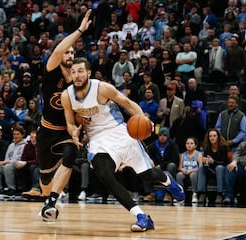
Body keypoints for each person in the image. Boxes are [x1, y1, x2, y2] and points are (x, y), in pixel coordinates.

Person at [60, 58, 185, 231]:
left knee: (147, 174)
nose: (77, 75)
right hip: (97, 140)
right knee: (104, 174)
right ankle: (141, 216)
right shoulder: (67, 96)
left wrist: (143, 119)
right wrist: (73, 131)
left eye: (80, 71)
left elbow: (127, 104)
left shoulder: (102, 88)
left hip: (119, 132)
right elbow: (69, 122)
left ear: (88, 73)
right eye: (73, 72)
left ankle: (167, 180)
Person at [37, 10, 93, 221]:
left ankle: (52, 201)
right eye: (66, 52)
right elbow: (59, 48)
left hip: (66, 131)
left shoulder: (79, 81)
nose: (69, 55)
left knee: (71, 153)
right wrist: (79, 30)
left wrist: (81, 125)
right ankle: (47, 198)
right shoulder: (51, 70)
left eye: (72, 52)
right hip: (46, 131)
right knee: (44, 180)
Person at [0, 124, 27, 197]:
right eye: (14, 134)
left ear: (22, 135)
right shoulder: (11, 145)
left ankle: (11, 188)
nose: (15, 136)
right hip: (8, 164)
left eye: (18, 134)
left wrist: (3, 162)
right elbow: (7, 158)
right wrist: (1, 163)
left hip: (18, 166)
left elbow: (17, 160)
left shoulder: (24, 145)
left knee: (8, 166)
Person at [144, 127, 180, 202]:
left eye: (164, 135)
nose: (162, 137)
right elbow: (148, 157)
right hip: (155, 167)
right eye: (160, 135)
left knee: (172, 165)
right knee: (145, 167)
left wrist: (161, 166)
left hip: (167, 167)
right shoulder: (153, 146)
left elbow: (175, 159)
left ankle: (169, 193)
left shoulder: (173, 145)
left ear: (168, 136)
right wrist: (152, 163)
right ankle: (150, 193)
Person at [197, 129, 229, 204]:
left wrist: (213, 161)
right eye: (210, 136)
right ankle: (202, 194)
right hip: (210, 170)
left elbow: (224, 163)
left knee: (219, 167)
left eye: (214, 136)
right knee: (201, 167)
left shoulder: (223, 147)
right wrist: (205, 163)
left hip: (221, 171)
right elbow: (206, 164)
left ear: (218, 137)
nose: (212, 138)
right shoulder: (207, 148)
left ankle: (219, 194)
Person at [176, 137, 203, 203]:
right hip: (185, 171)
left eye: (191, 143)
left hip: (194, 172)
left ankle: (194, 194)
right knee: (179, 175)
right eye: (187, 143)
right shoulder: (183, 154)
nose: (189, 145)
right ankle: (180, 195)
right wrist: (183, 170)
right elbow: (179, 167)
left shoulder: (199, 154)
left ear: (195, 145)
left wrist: (191, 171)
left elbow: (201, 167)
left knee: (193, 175)